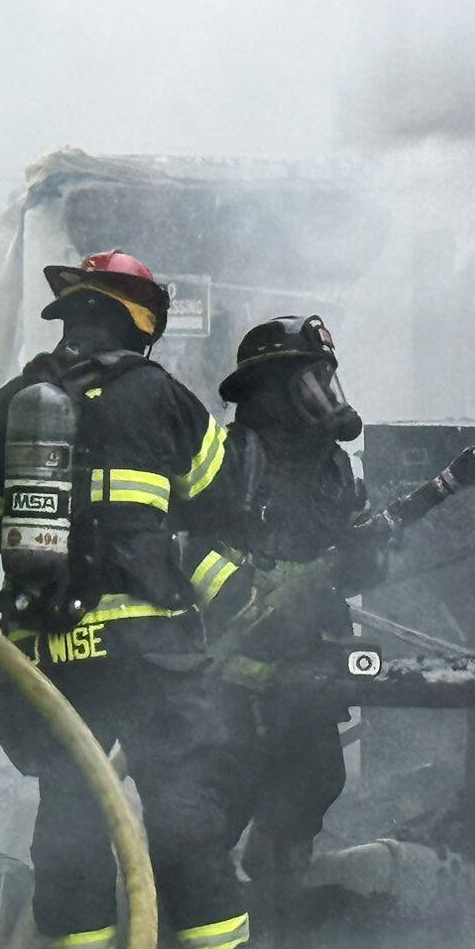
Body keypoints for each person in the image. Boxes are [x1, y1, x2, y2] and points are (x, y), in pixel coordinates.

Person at [0, 250, 260, 949]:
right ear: (139, 321)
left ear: (70, 317)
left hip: (49, 647)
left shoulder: (12, 403)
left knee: (69, 808)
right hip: (147, 649)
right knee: (182, 799)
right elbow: (219, 505)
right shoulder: (163, 398)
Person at [188, 316, 389, 904]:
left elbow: (354, 570)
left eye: (326, 379)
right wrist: (245, 594)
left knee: (316, 779)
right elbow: (185, 548)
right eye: (309, 382)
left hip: (311, 662)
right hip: (231, 669)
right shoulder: (229, 460)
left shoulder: (333, 466)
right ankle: (194, 907)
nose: (324, 395)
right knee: (224, 795)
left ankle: (279, 897)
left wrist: (368, 553)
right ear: (270, 392)